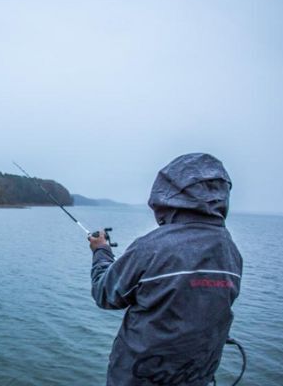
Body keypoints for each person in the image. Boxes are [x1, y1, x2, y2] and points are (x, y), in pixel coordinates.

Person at [88, 153, 243, 386]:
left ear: (166, 195)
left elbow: (104, 293)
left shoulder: (152, 247)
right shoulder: (230, 251)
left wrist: (100, 250)